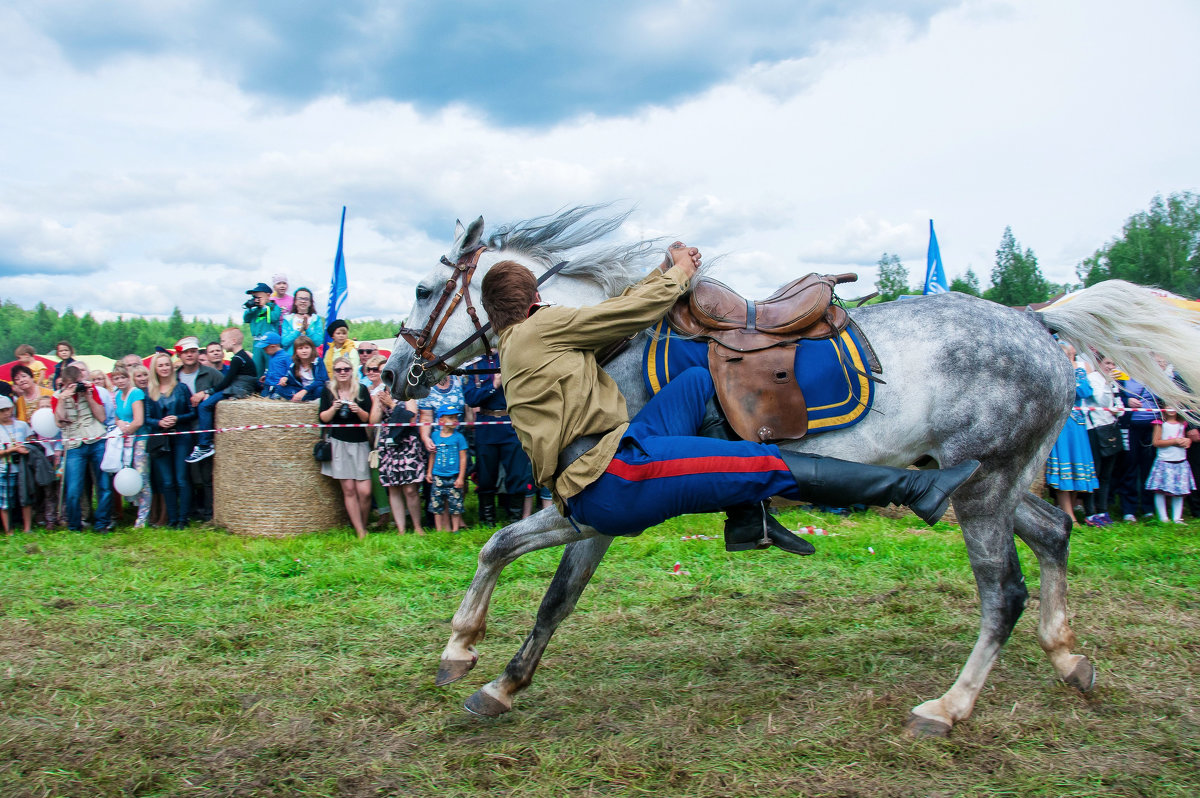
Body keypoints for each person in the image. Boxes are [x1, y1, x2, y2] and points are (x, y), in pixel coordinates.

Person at [477, 243, 979, 556]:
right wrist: (677, 272)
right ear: (536, 303)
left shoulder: (514, 346)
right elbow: (627, 313)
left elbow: (617, 309)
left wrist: (662, 276)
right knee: (763, 462)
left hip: (615, 452)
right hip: (614, 480)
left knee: (698, 383)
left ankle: (748, 515)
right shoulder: (543, 326)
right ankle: (917, 491)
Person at [463, 352, 535, 524]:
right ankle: (487, 520)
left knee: (517, 474)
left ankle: (515, 519)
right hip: (486, 426)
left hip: (511, 425)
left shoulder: (511, 357)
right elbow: (471, 398)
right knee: (486, 475)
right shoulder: (474, 365)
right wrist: (493, 385)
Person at [52, 363, 113, 532]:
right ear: (64, 383)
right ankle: (74, 525)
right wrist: (63, 398)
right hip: (73, 444)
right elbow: (59, 422)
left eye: (78, 382)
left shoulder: (91, 391)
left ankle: (102, 523)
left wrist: (89, 396)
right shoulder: (58, 396)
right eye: (71, 384)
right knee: (73, 489)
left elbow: (101, 417)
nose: (76, 387)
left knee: (104, 485)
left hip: (96, 439)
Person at [185, 328, 259, 463]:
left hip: (238, 389)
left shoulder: (237, 359)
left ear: (234, 341)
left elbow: (226, 381)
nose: (222, 344)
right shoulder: (243, 357)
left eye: (223, 341)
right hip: (242, 388)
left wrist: (207, 392)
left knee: (204, 406)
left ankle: (205, 444)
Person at [318, 356, 373, 538]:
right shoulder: (328, 391)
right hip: (338, 443)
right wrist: (334, 408)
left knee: (364, 492)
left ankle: (362, 524)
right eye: (339, 370)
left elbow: (368, 419)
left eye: (346, 369)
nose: (342, 373)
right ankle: (360, 531)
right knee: (349, 489)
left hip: (360, 443)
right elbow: (323, 418)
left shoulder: (361, 390)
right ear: (333, 372)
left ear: (352, 371)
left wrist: (359, 410)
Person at [1044, 343, 1098, 521]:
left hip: (1078, 426)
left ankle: (1072, 508)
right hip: (1061, 424)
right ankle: (1069, 514)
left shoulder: (1079, 372)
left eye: (1066, 356)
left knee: (1078, 468)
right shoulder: (1052, 373)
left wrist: (1070, 382)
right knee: (1063, 469)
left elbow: (1085, 391)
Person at [145, 352, 195, 529]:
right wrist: (159, 422)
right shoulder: (149, 392)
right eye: (161, 365)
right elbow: (146, 418)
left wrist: (177, 418)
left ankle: (183, 519)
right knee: (167, 481)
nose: (165, 368)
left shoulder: (181, 388)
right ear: (155, 369)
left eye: (167, 364)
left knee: (182, 479)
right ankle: (172, 519)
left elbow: (192, 412)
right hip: (160, 440)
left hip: (181, 437)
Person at [371, 385, 425, 535]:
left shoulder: (407, 391)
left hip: (407, 442)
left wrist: (391, 404)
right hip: (388, 444)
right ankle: (401, 529)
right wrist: (378, 404)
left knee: (410, 489)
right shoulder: (380, 394)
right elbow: (373, 421)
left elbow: (412, 415)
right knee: (393, 488)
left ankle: (417, 526)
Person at [1082, 355, 1125, 527]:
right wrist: (1108, 383)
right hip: (1095, 429)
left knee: (1107, 474)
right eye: (1107, 363)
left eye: (1113, 363)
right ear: (1099, 364)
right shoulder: (1093, 378)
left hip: (1111, 428)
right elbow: (1099, 399)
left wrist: (1119, 409)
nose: (1110, 366)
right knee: (1095, 472)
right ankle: (1090, 512)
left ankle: (1102, 510)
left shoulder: (1112, 381)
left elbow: (1119, 404)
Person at [112, 364, 151, 528]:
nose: (120, 381)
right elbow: (116, 416)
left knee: (142, 476)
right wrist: (119, 423)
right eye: (116, 378)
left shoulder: (136, 393)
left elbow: (139, 420)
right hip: (125, 440)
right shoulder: (117, 395)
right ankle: (133, 509)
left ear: (129, 378)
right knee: (127, 472)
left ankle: (143, 517)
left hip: (139, 438)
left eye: (122, 377)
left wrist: (128, 429)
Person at [1146, 407, 1194, 523]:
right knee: (1160, 490)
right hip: (1164, 462)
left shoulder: (1183, 423)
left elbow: (1187, 439)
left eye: (1174, 406)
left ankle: (1177, 518)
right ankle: (1163, 518)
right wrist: (1174, 441)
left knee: (1180, 491)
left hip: (1180, 461)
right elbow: (1156, 442)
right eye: (1168, 406)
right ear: (1163, 407)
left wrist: (1188, 441)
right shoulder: (1160, 423)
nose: (1171, 409)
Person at [426, 405, 469, 532]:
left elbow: (463, 458)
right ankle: (440, 531)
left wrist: (461, 477)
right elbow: (432, 455)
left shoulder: (459, 437)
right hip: (438, 476)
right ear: (441, 421)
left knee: (455, 505)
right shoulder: (435, 436)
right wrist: (429, 472)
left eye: (456, 417)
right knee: (437, 505)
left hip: (454, 476)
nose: (455, 420)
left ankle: (455, 530)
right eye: (450, 417)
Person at [0, 395, 33, 534]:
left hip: (22, 467)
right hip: (3, 468)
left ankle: (27, 528)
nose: (6, 413)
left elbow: (31, 441)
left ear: (12, 408)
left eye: (8, 409)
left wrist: (26, 448)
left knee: (25, 499)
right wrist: (12, 450)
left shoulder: (22, 425)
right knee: (5, 502)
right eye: (2, 410)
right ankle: (9, 530)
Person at [243, 282, 284, 377]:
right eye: (254, 297)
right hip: (257, 342)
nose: (256, 300)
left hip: (270, 344)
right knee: (256, 368)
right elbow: (246, 319)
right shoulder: (254, 310)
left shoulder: (274, 307)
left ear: (268, 295)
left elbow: (274, 318)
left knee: (271, 366)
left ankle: (272, 386)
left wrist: (265, 307)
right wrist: (249, 308)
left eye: (259, 297)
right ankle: (257, 388)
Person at [274, 335, 326, 402]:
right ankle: (303, 399)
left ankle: (303, 398)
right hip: (300, 389)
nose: (304, 351)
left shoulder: (318, 362)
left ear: (312, 349)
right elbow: (290, 377)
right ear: (296, 352)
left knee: (320, 390)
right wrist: (285, 379)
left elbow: (321, 380)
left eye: (307, 348)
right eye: (300, 348)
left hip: (313, 389)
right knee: (280, 388)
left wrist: (305, 390)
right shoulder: (294, 364)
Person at [281, 287, 323, 354]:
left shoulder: (316, 319)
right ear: (295, 301)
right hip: (291, 358)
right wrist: (299, 330)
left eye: (306, 299)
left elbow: (318, 342)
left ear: (310, 302)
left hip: (310, 359)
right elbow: (284, 342)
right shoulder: (287, 319)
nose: (303, 301)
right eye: (300, 298)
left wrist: (307, 329)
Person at [259, 332, 295, 399]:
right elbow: (272, 370)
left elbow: (291, 372)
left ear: (273, 346)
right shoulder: (271, 356)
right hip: (268, 385)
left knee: (275, 397)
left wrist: (286, 379)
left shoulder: (286, 357)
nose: (264, 351)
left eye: (265, 348)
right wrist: (266, 376)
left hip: (278, 386)